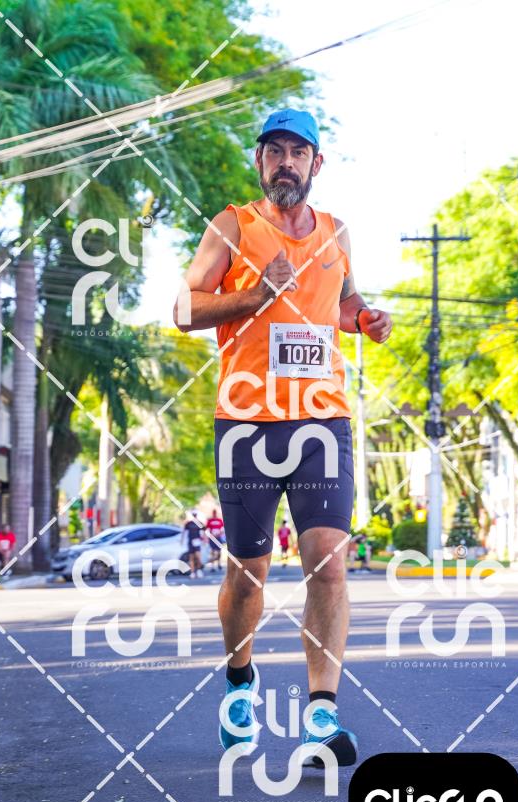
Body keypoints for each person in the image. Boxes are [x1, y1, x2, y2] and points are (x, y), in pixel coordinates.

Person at [174, 108, 392, 766]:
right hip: (246, 422)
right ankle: (240, 681)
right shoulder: (232, 226)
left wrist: (366, 318)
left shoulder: (335, 232)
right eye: (275, 151)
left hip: (322, 418)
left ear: (316, 163)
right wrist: (253, 296)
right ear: (260, 161)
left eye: (298, 152)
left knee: (328, 560)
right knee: (248, 572)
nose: (286, 163)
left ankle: (321, 714)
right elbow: (184, 308)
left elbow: (343, 303)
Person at [181, 511, 204, 578]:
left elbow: (204, 531)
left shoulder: (199, 523)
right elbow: (184, 531)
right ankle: (192, 572)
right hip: (190, 542)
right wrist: (182, 540)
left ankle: (199, 570)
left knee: (198, 556)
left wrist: (204, 540)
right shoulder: (188, 523)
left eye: (195, 514)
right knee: (191, 558)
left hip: (197, 541)